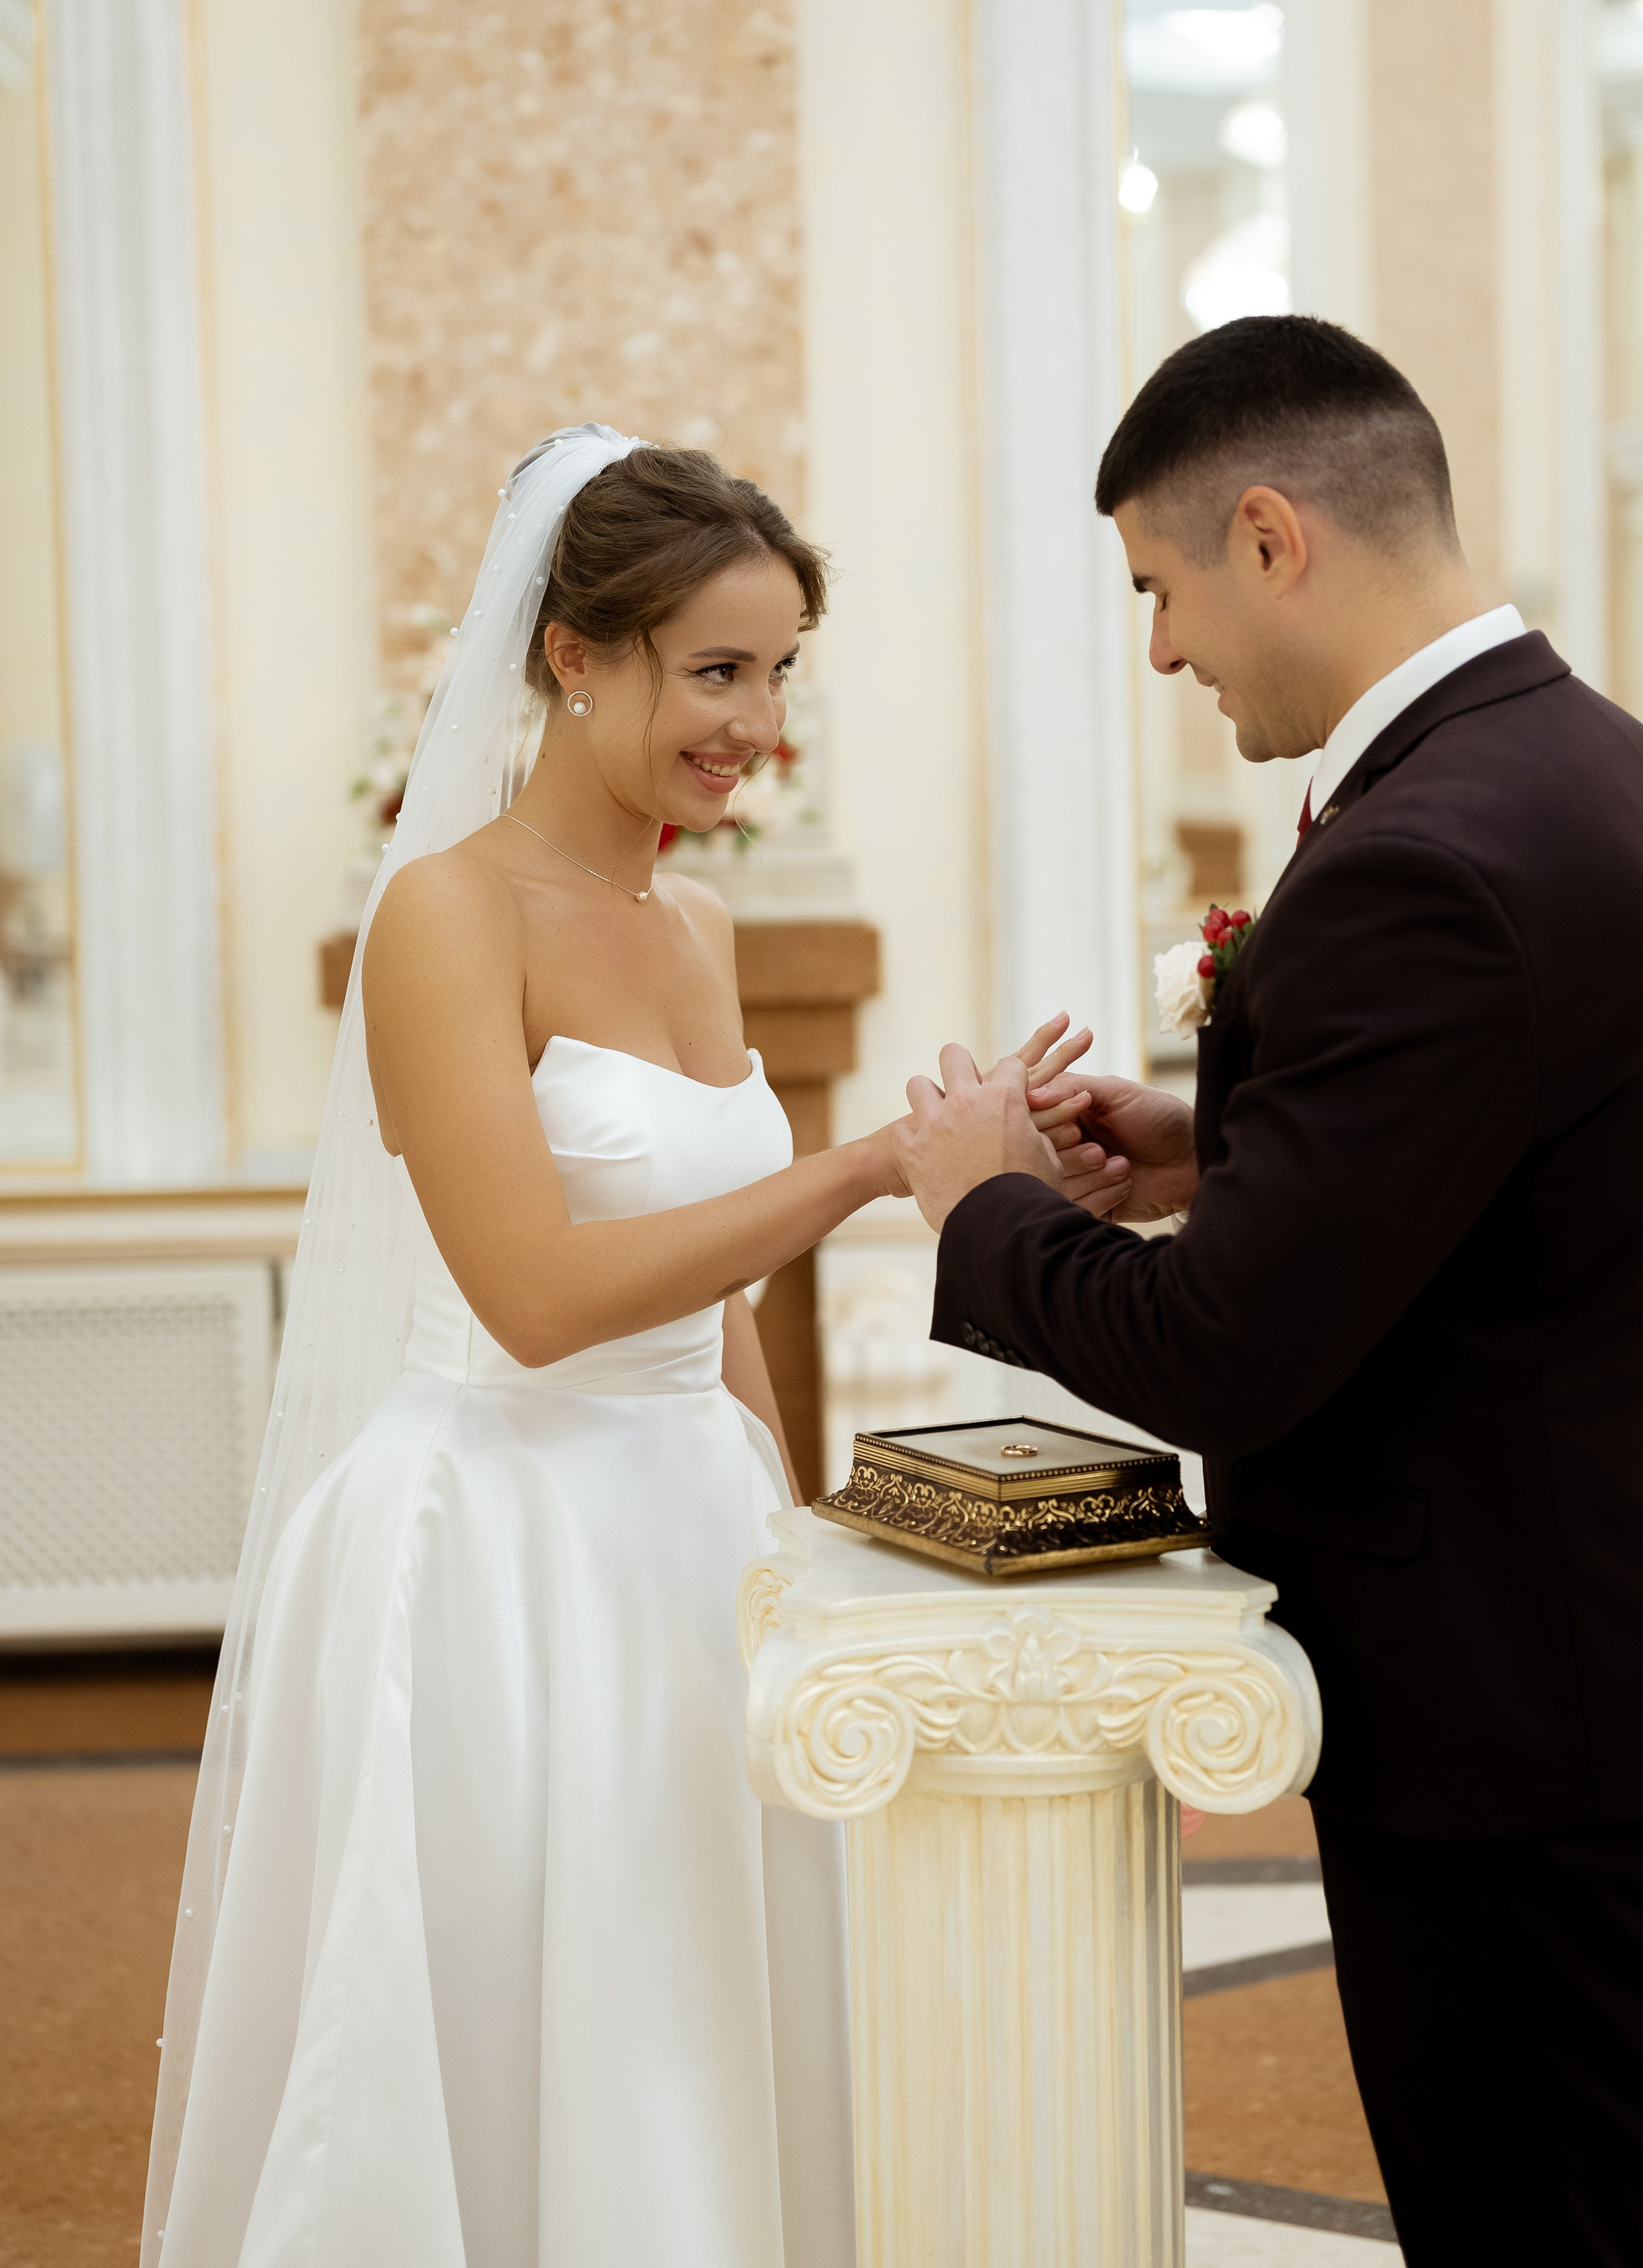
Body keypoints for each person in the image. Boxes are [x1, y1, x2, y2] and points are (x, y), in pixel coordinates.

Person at [141, 422, 1096, 2268]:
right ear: (573, 655)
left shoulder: (700, 920)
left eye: (780, 674)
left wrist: (796, 1532)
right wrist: (870, 1166)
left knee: (691, 1994)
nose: (758, 723)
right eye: (718, 671)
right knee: (511, 2011)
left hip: (689, 1526)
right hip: (494, 1546)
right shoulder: (445, 914)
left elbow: (710, 1298)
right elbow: (540, 1295)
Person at [895, 317, 1643, 2268]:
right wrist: (1217, 1149)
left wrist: (985, 1209)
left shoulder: (1427, 855)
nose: (1161, 652)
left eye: (1160, 590)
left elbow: (1229, 1351)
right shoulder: (1584, 764)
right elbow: (1535, 1175)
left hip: (1510, 1722)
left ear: (1268, 535)